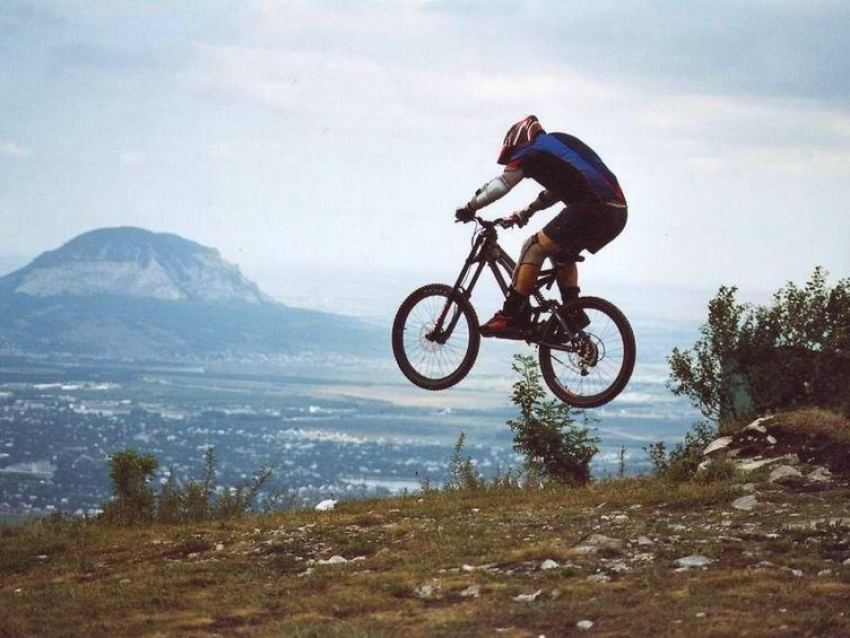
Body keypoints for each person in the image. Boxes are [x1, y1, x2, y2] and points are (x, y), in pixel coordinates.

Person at [455, 115, 627, 337]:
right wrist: (527, 212)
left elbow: (501, 184)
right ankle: (571, 313)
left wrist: (470, 207)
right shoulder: (556, 147)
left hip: (592, 208)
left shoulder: (531, 149)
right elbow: (556, 191)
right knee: (562, 253)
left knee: (533, 247)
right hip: (617, 213)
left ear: (518, 140)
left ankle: (511, 315)